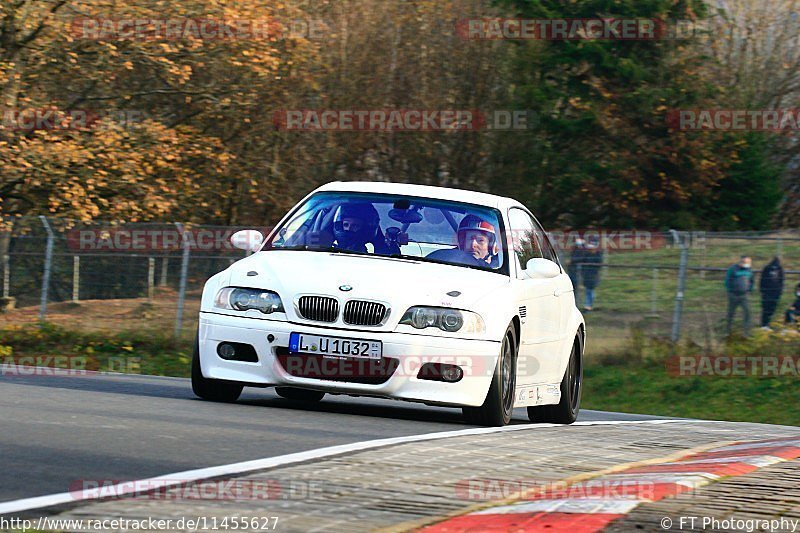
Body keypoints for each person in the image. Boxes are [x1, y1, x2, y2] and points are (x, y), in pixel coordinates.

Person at [426, 214, 499, 268]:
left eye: (480, 240)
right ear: (462, 242)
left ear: (492, 245)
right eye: (469, 239)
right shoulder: (446, 263)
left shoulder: (502, 273)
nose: (473, 245)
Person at [725, 255, 754, 336]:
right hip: (733, 295)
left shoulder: (749, 270)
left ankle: (746, 332)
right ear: (741, 261)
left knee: (747, 313)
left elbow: (751, 281)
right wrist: (730, 291)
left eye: (749, 262)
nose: (748, 264)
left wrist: (749, 290)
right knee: (731, 313)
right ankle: (728, 331)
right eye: (746, 262)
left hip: (744, 296)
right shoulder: (733, 269)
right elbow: (727, 280)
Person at [759, 257, 784, 327]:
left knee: (772, 309)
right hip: (767, 293)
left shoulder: (780, 269)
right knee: (766, 309)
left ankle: (769, 324)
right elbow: (762, 280)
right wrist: (762, 291)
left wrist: (780, 291)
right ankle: (764, 324)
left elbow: (781, 281)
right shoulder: (767, 269)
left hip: (775, 293)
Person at [580, 236, 603, 311]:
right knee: (588, 290)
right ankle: (588, 305)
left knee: (590, 290)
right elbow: (583, 263)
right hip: (586, 275)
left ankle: (588, 305)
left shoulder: (598, 255)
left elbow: (598, 265)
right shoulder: (586, 254)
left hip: (593, 275)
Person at [567, 238, 586, 304]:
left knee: (576, 287)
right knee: (572, 287)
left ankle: (576, 303)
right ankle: (573, 302)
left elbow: (581, 259)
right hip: (572, 270)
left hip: (577, 270)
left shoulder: (582, 251)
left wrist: (571, 260)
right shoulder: (575, 250)